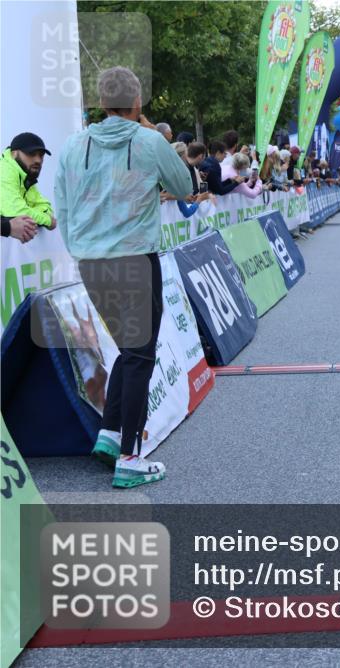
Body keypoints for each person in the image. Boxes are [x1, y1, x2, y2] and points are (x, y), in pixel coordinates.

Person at [54, 66, 192, 488]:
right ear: (137, 103)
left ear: (99, 101)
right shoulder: (149, 141)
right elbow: (185, 186)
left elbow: (61, 205)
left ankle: (111, 435)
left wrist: (81, 247)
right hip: (134, 258)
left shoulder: (74, 145)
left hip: (91, 262)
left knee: (127, 351)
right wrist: (150, 129)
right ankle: (132, 456)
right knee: (139, 355)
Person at [2, 132, 56, 238]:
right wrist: (48, 221)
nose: (38, 160)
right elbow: (15, 211)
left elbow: (44, 205)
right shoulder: (4, 170)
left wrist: (46, 217)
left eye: (41, 155)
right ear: (14, 154)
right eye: (31, 154)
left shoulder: (24, 175)